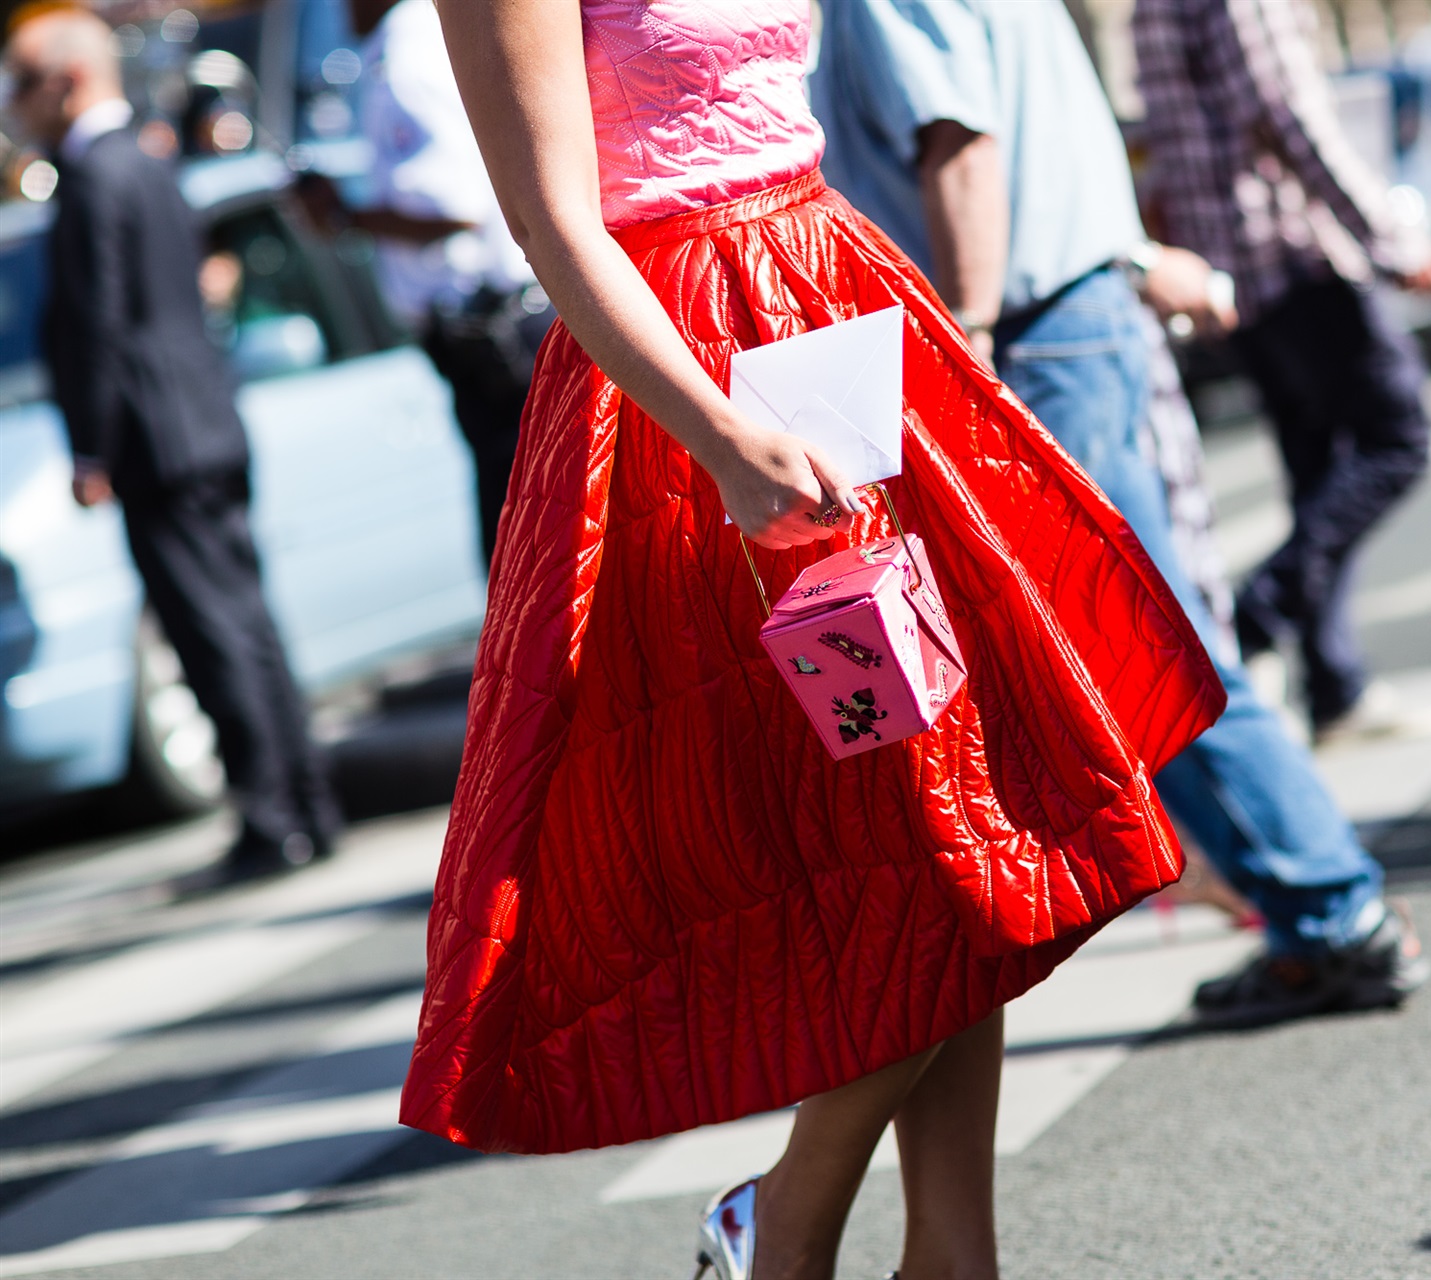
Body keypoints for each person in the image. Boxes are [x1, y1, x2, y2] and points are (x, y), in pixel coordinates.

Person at [396, 2, 1225, 1277]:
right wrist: (720, 438)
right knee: (917, 829)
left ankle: (949, 1249)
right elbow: (553, 224)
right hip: (691, 393)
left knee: (959, 800)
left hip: (831, 323)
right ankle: (791, 1219)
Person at [811, 0, 1430, 1024]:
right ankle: (1308, 901)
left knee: (1130, 647)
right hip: (1060, 315)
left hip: (1019, 327)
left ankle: (1327, 908)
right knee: (1134, 641)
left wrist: (964, 350)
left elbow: (960, 142)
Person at [7, 10, 339, 876]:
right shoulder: (148, 162)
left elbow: (100, 326)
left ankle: (273, 818)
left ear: (65, 81)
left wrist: (90, 449)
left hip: (158, 441)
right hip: (204, 425)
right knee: (247, 622)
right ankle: (305, 803)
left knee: (212, 631)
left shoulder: (93, 177)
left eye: (19, 82)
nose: (13, 105)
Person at [1134, 0, 1431, 747]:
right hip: (1293, 258)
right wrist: (1393, 239)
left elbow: (1168, 131)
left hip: (1235, 277)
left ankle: (1335, 684)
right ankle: (1257, 621)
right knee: (1397, 442)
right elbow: (1289, 114)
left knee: (1317, 475)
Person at [298, 0, 550, 568]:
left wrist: (346, 215)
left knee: (525, 559)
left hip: (495, 336)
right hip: (492, 333)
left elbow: (449, 206)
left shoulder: (407, 50)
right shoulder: (409, 43)